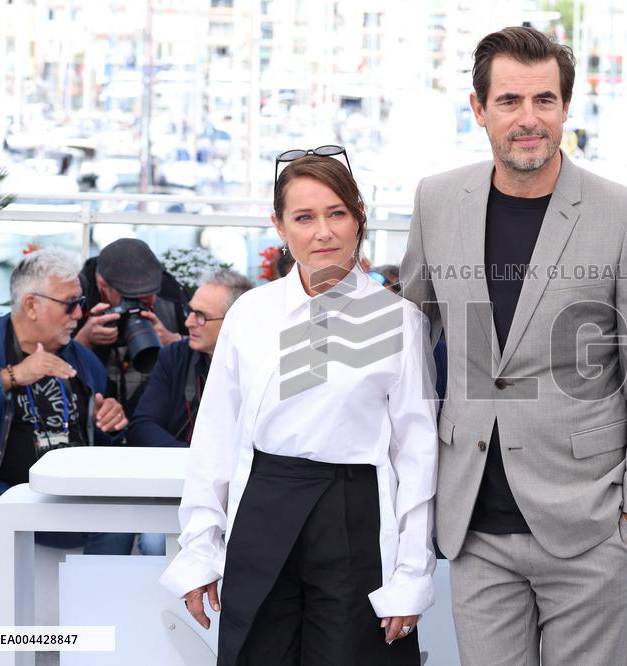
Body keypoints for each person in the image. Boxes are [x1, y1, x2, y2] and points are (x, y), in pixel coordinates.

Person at [400, 26, 627, 666]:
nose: (529, 120)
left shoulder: (624, 214)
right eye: (509, 101)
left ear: (565, 106)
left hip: (590, 529)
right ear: (479, 110)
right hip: (472, 527)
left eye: (544, 100)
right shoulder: (437, 200)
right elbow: (409, 339)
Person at [160, 152, 438, 665]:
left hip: (355, 517)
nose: (323, 232)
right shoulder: (250, 313)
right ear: (279, 226)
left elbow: (417, 456)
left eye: (337, 213)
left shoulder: (399, 322)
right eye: (303, 218)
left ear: (359, 217)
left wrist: (412, 574)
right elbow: (216, 437)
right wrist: (200, 548)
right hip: (264, 508)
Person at [0, 248, 135, 591]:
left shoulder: (83, 362)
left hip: (65, 495)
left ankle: (87, 631)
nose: (79, 314)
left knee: (118, 520)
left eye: (81, 301)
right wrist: (12, 375)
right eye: (70, 304)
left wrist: (111, 425)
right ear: (32, 305)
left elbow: (102, 441)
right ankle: (0, 636)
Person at [128, 269, 252, 557]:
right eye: (189, 311)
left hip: (239, 496)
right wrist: (195, 459)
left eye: (201, 315)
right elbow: (142, 425)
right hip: (179, 487)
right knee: (156, 542)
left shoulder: (260, 366)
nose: (187, 322)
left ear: (236, 322)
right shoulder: (176, 355)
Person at [74, 238, 190, 415]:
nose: (144, 302)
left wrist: (174, 341)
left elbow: (208, 350)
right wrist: (83, 341)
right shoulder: (76, 297)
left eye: (150, 294)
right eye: (131, 297)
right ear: (103, 285)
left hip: (152, 410)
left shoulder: (169, 292)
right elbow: (49, 365)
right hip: (94, 411)